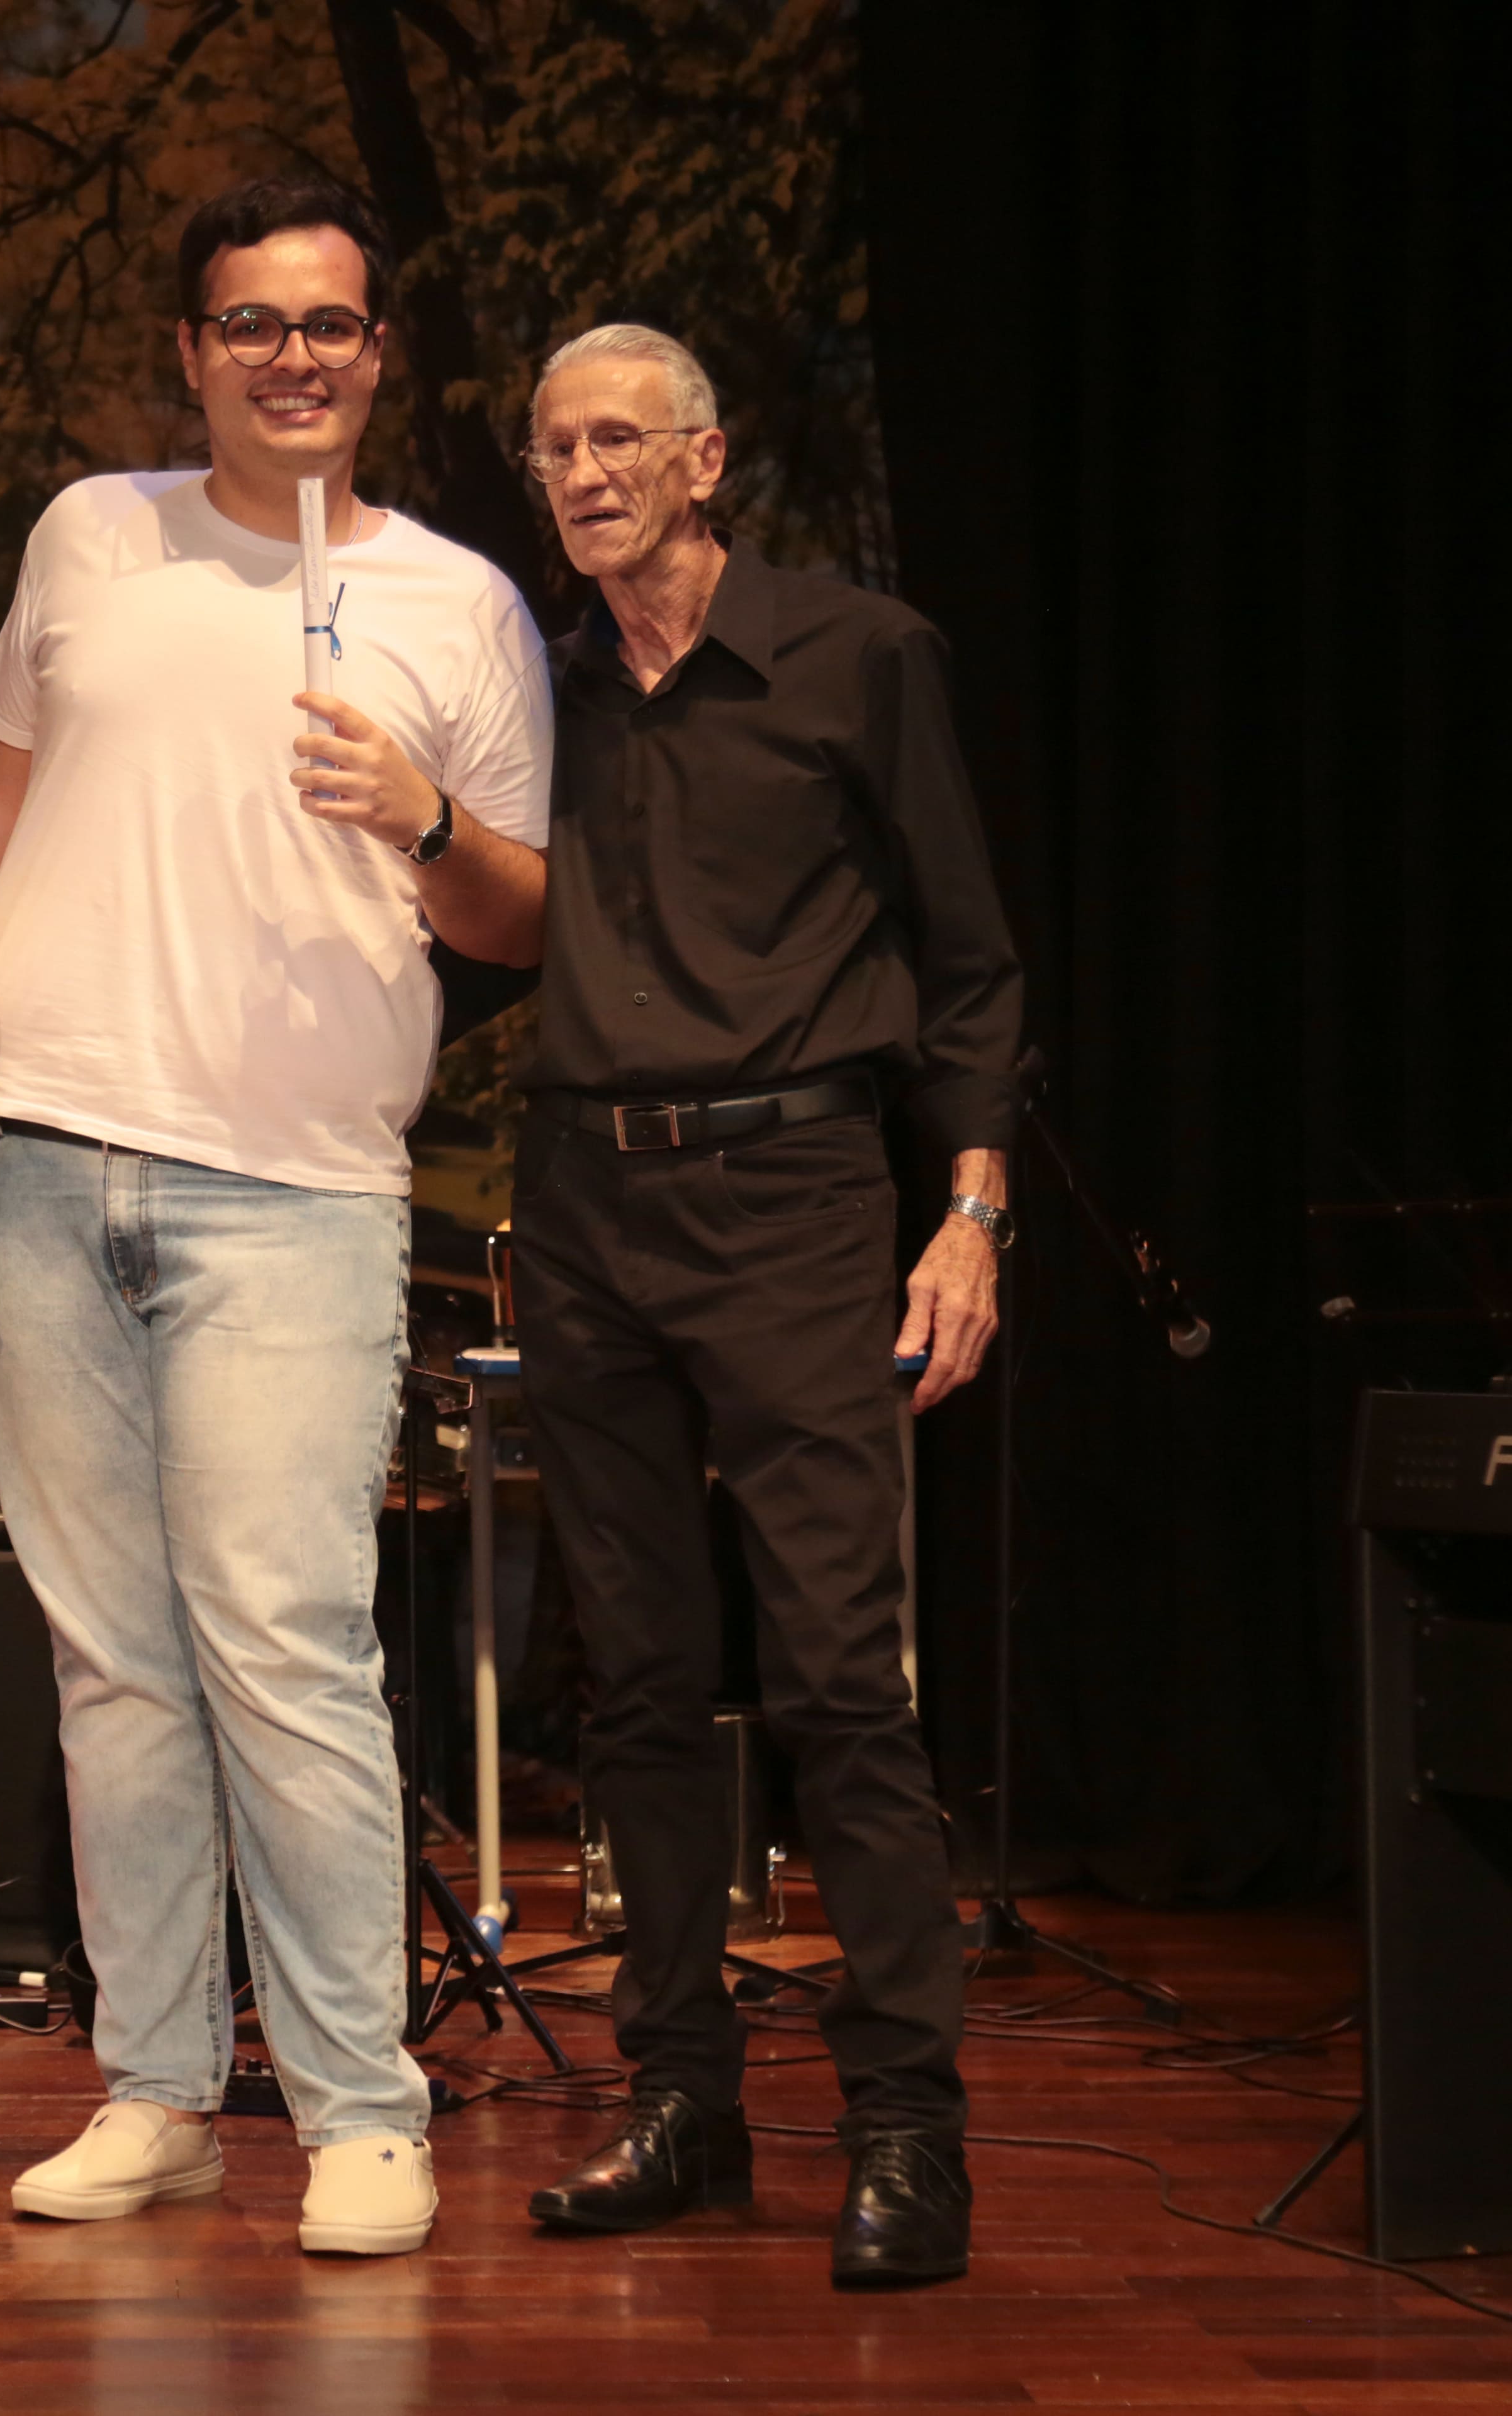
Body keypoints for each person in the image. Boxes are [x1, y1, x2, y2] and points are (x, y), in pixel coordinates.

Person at [0, 175, 554, 2258]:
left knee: (287, 1647)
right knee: (113, 1662)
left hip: (293, 1185)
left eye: (327, 324)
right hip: (41, 1156)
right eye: (250, 323)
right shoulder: (87, 537)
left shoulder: (459, 604)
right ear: (192, 350)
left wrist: (426, 815)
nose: (290, 355)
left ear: (377, 354)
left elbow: (520, 914)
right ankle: (156, 2091)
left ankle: (360, 2106)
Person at [508, 325, 1023, 2286]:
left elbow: (971, 963)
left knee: (837, 1680)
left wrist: (968, 1215)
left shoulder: (856, 654)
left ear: (707, 459)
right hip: (586, 1201)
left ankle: (906, 2127)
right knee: (636, 1683)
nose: (583, 472)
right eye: (555, 447)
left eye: (617, 438)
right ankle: (683, 2103)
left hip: (800, 1192)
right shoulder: (539, 691)